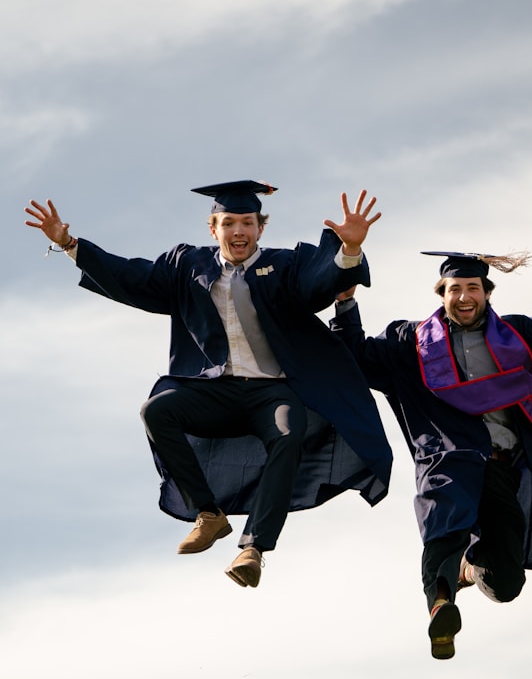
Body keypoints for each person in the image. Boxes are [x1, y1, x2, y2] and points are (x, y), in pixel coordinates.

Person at [25, 181, 392, 588]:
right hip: (213, 390)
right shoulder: (187, 266)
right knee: (157, 410)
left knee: (288, 434)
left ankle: (253, 547)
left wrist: (350, 251)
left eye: (248, 223)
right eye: (229, 222)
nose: (239, 231)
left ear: (260, 229)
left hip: (271, 391)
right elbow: (131, 276)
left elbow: (317, 284)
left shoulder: (285, 267)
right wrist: (71, 244)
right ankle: (208, 514)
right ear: (212, 228)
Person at [330, 251, 532, 658]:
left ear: (487, 294)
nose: (464, 296)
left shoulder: (518, 336)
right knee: (444, 523)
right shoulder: (410, 343)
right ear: (442, 294)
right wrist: (344, 301)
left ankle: (467, 570)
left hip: (504, 465)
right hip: (447, 460)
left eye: (473, 288)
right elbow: (355, 359)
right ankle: (440, 603)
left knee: (506, 586)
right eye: (455, 289)